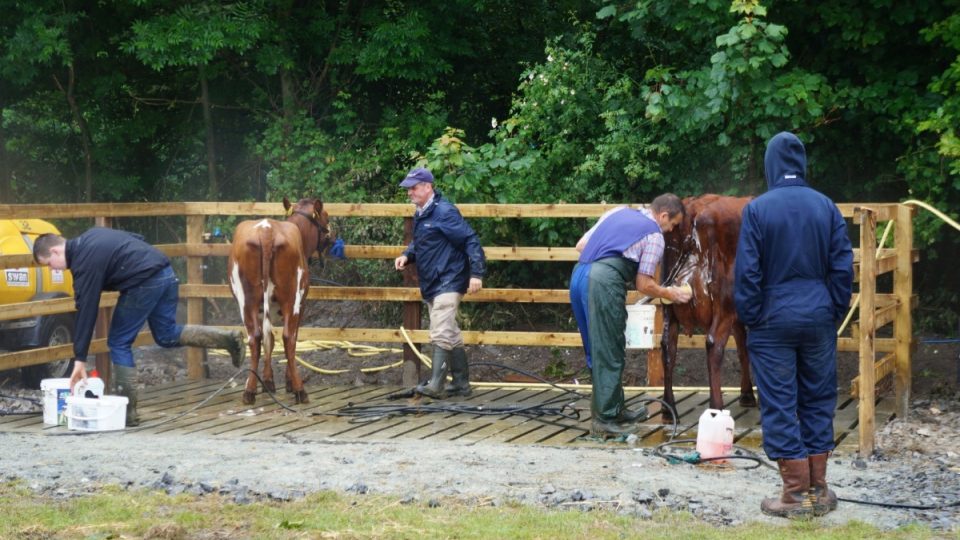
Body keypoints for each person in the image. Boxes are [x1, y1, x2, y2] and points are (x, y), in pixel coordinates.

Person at [734, 131, 854, 518]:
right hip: (818, 317)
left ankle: (796, 494)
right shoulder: (826, 206)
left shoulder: (757, 209)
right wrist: (832, 310)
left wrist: (753, 316)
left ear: (771, 165)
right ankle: (818, 489)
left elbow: (748, 272)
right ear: (802, 164)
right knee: (819, 398)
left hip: (771, 321)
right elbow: (842, 267)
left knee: (780, 403)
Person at [33, 229, 246, 426]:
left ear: (55, 251)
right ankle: (227, 338)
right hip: (165, 271)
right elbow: (137, 238)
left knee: (118, 342)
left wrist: (79, 359)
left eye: (49, 263)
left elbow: (86, 310)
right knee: (166, 334)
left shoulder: (83, 262)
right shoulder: (92, 235)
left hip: (145, 282)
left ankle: (128, 413)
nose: (52, 269)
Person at [570, 194, 693, 438]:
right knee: (609, 349)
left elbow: (581, 245)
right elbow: (644, 284)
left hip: (579, 276)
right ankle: (605, 421)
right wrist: (670, 293)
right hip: (603, 281)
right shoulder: (654, 235)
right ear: (663, 216)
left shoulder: (617, 212)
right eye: (673, 224)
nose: (671, 230)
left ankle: (614, 410)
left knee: (597, 348)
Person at [394, 167, 486, 399]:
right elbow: (422, 241)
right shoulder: (422, 213)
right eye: (408, 189)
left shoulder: (444, 212)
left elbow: (470, 240)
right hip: (433, 281)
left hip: (450, 278)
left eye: (413, 188)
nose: (410, 193)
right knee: (450, 332)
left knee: (439, 331)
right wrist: (407, 255)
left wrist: (476, 273)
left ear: (428, 186)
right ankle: (461, 384)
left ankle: (436, 384)